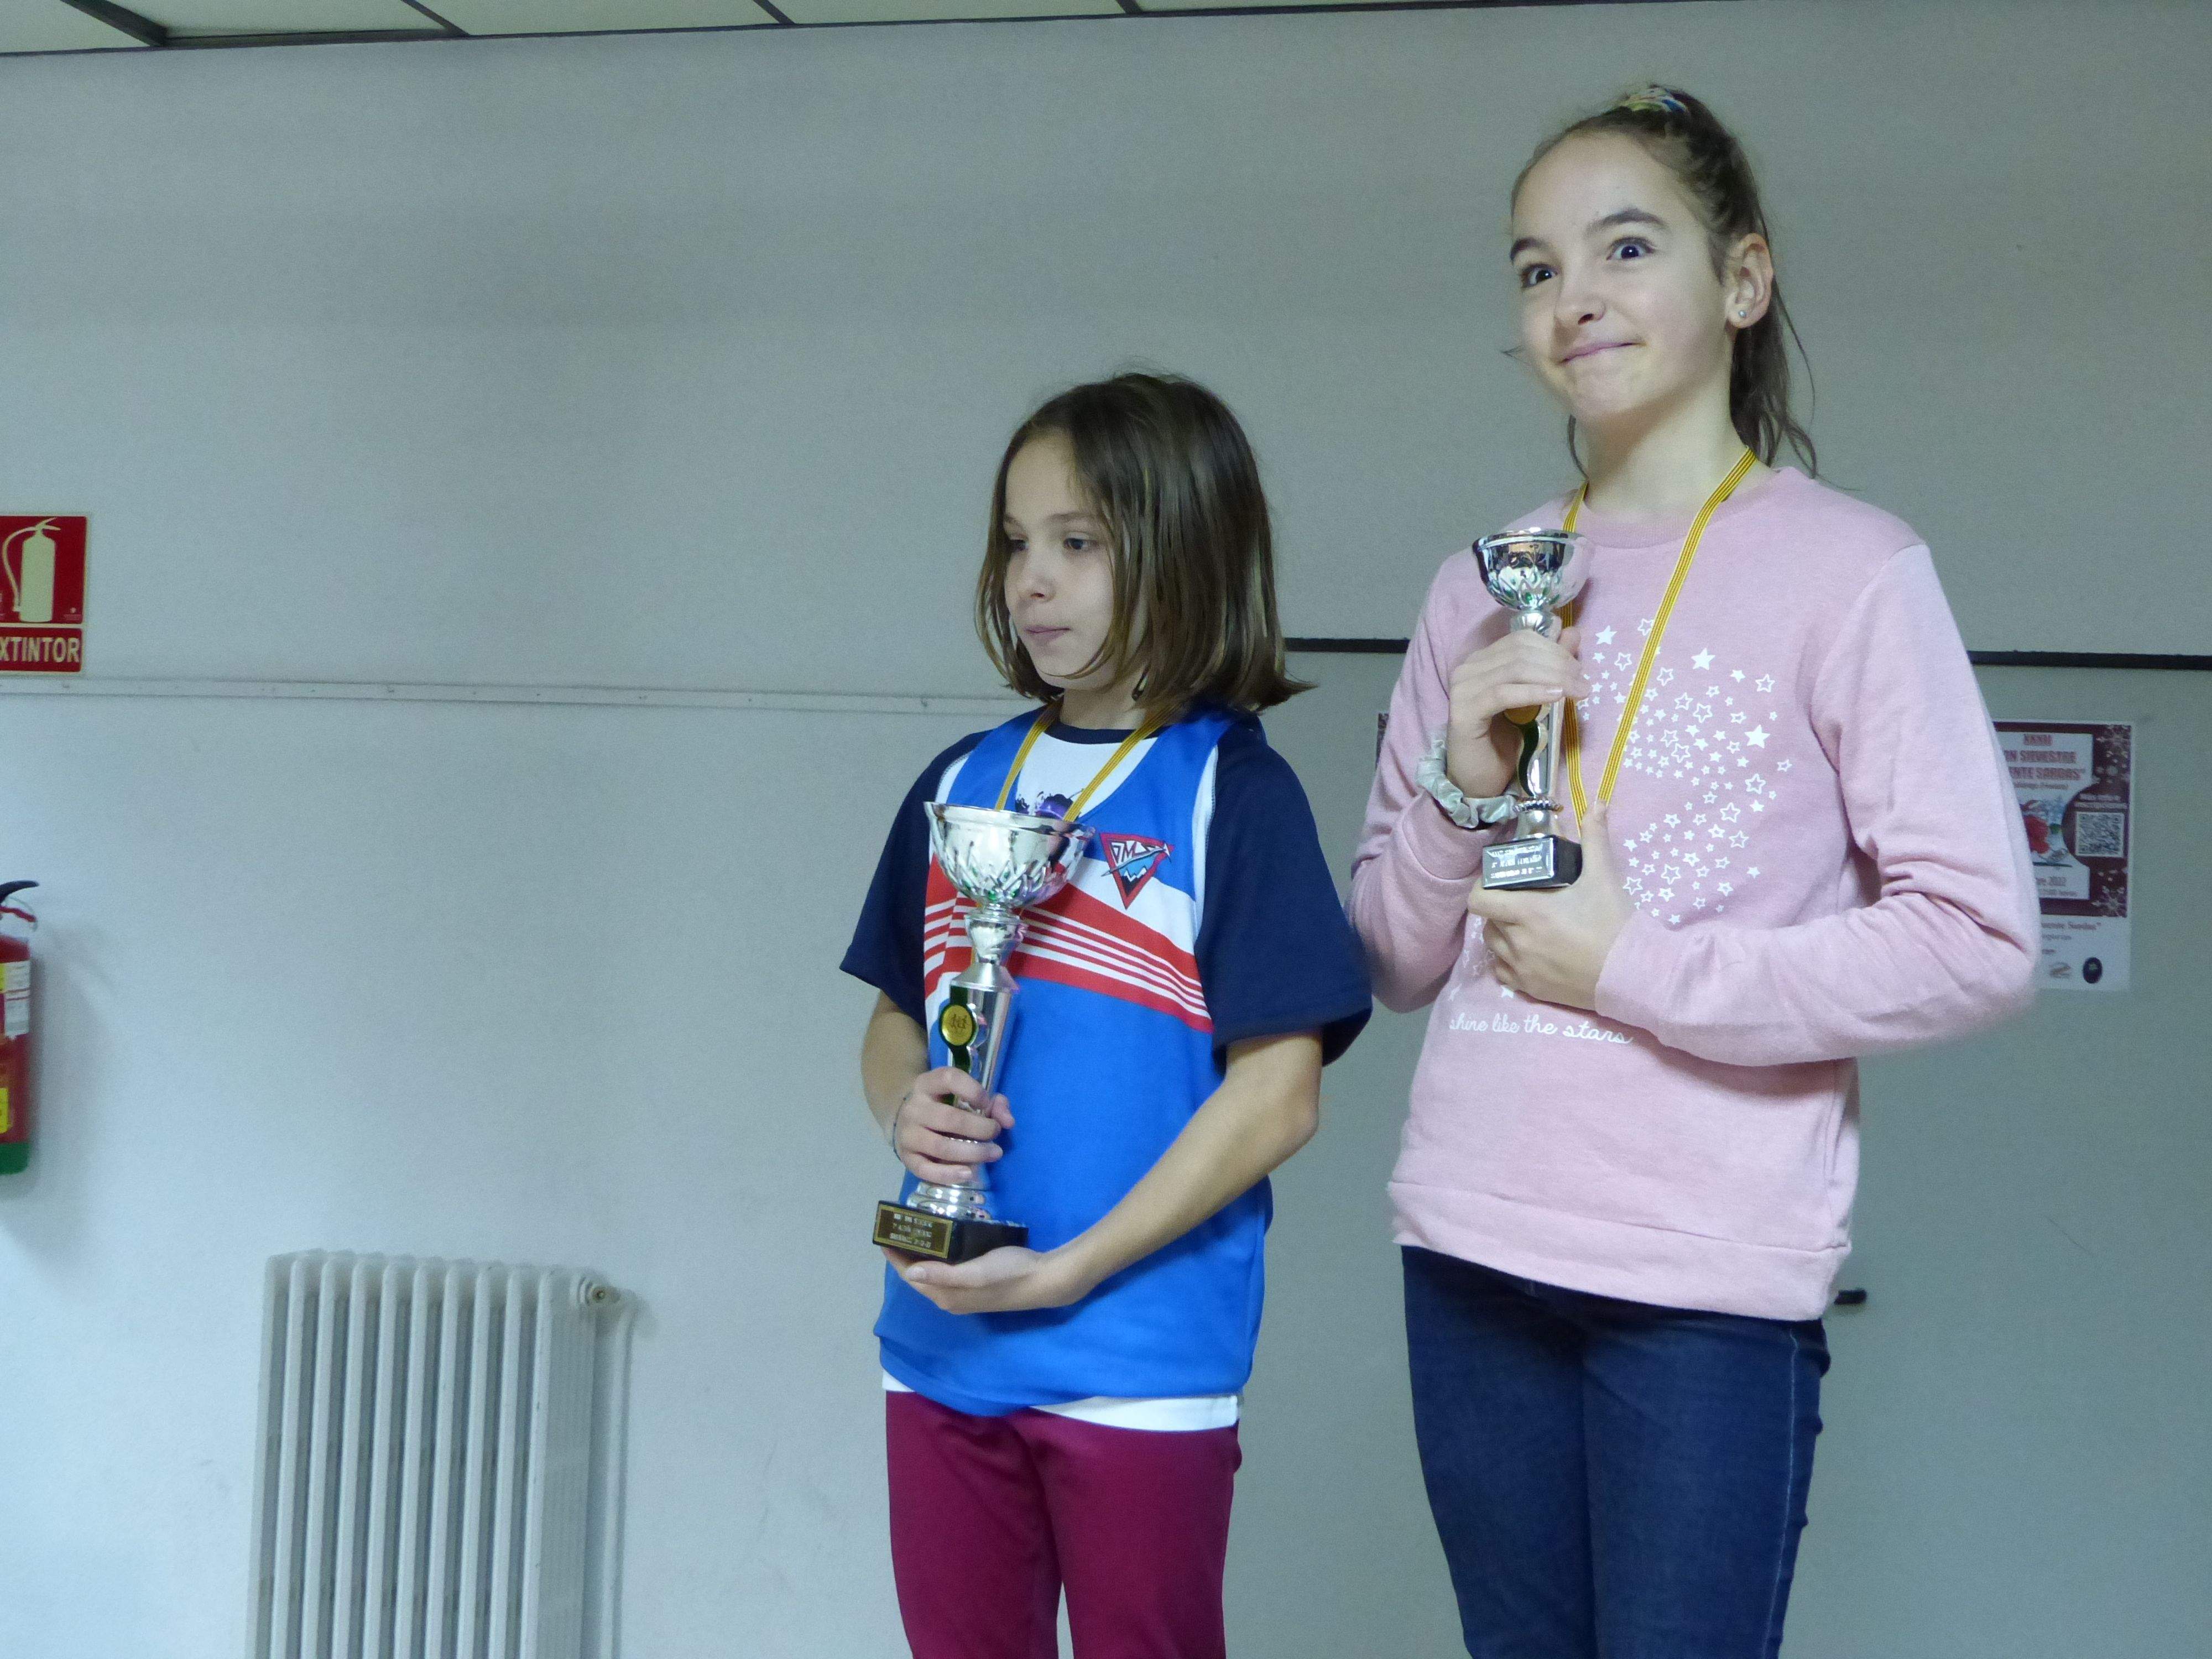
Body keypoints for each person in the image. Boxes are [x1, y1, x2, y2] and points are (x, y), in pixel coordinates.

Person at [1350, 87, 2038, 1659]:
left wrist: (1634, 968)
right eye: (1535, 269)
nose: (1574, 296)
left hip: (1703, 1280)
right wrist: (1463, 780)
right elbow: (1390, 958)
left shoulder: (1854, 571)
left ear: (1744, 279)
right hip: (1471, 1248)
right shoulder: (1479, 582)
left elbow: (1980, 941)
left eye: (1625, 246)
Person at [842, 372, 1371, 1659]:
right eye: (1017, 543)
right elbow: (895, 1024)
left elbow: (1279, 1093)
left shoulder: (1229, 794)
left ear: (1183, 549)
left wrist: (1076, 1267)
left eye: (1078, 544)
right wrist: (904, 1108)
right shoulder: (963, 780)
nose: (1033, 580)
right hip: (941, 1340)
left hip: (1133, 1361)